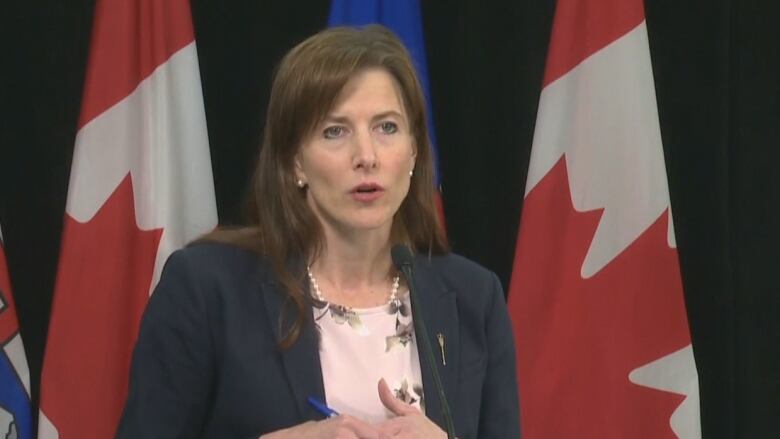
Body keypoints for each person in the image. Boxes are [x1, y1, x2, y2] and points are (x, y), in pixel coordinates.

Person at [116, 25, 520, 439]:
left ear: (414, 151)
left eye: (387, 128)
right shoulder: (207, 290)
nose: (367, 156)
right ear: (295, 162)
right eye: (335, 131)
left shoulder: (475, 300)